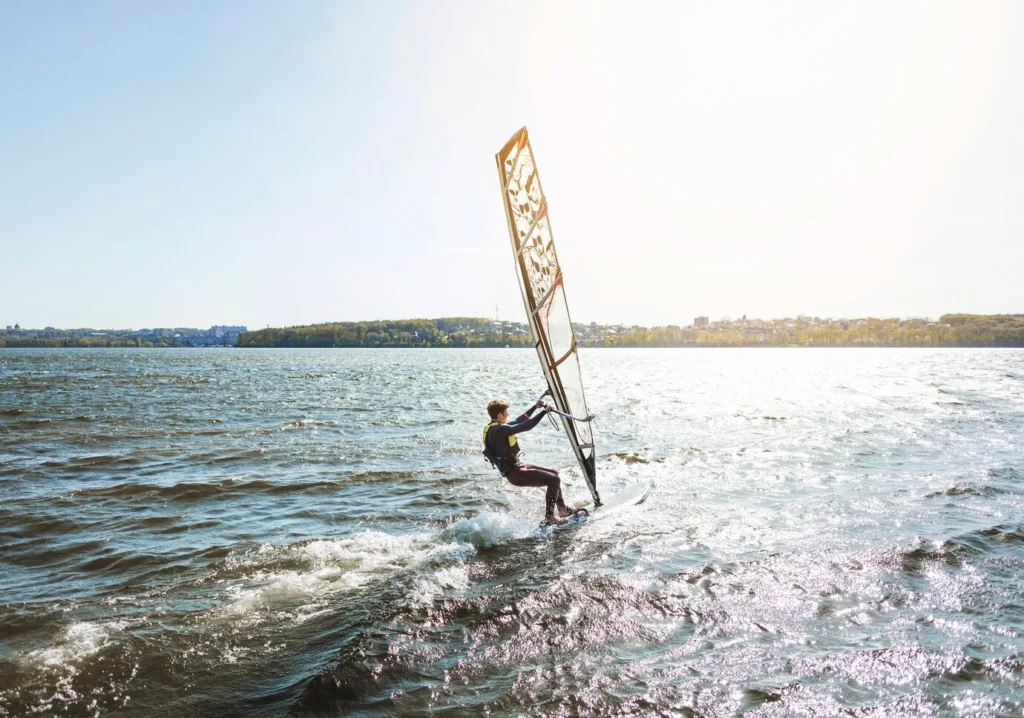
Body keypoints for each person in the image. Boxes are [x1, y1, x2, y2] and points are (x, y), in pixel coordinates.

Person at [483, 397, 575, 526]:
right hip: (515, 473)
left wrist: (535, 407)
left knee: (554, 473)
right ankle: (549, 517)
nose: (508, 415)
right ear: (499, 415)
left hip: (516, 468)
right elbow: (526, 426)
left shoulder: (496, 427)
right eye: (506, 413)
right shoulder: (499, 430)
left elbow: (520, 420)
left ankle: (562, 509)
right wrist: (544, 412)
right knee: (554, 480)